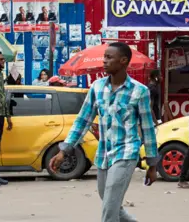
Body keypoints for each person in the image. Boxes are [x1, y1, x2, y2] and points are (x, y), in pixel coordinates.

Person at [49, 42, 159, 222]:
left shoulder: (140, 91)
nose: (104, 61)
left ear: (123, 61)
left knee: (109, 208)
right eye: (104, 57)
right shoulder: (97, 87)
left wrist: (152, 164)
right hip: (104, 154)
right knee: (110, 202)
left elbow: (147, 129)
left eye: (109, 57)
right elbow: (83, 120)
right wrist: (64, 150)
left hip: (126, 153)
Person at [0, 51, 12, 188]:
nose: (3, 62)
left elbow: (2, 97)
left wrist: (8, 116)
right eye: (1, 59)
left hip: (0, 114)